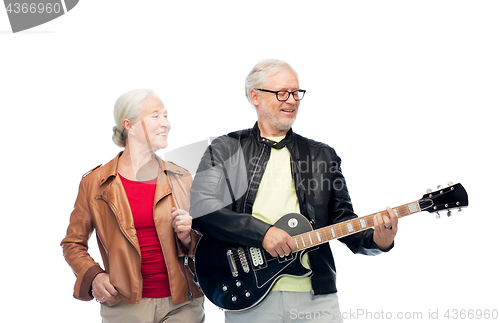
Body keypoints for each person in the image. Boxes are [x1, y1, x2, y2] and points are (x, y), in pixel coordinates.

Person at [190, 59, 398, 322]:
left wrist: (378, 241)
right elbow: (200, 210)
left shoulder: (323, 156)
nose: (291, 100)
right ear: (255, 96)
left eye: (296, 93)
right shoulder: (226, 147)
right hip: (248, 295)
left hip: (316, 298)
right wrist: (262, 233)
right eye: (281, 93)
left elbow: (343, 222)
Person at [61, 89, 204, 323]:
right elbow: (72, 244)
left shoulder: (181, 177)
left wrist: (189, 237)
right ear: (129, 125)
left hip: (182, 305)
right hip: (124, 306)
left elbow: (211, 242)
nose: (166, 124)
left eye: (166, 116)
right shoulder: (94, 183)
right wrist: (94, 276)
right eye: (156, 116)